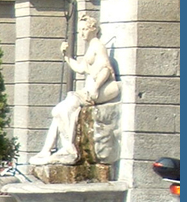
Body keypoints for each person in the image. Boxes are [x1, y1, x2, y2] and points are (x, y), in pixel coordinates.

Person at [31, 14, 120, 165]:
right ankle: (47, 149)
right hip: (87, 91)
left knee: (61, 110)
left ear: (93, 29)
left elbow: (106, 68)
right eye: (80, 30)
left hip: (93, 91)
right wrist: (67, 56)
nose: (82, 33)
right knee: (58, 112)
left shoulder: (98, 46)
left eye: (85, 29)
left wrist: (97, 88)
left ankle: (69, 149)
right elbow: (80, 68)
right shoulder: (91, 47)